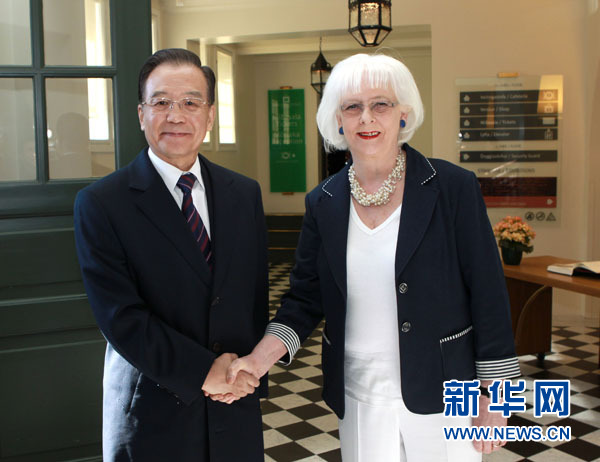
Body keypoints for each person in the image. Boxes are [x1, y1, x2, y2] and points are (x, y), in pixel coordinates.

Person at [224, 54, 521, 461]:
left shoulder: (453, 188)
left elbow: (489, 294)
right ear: (338, 120)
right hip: (359, 394)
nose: (366, 118)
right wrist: (258, 361)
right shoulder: (323, 202)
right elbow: (304, 300)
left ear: (403, 114)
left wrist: (498, 396)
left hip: (448, 390)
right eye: (352, 106)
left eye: (380, 104)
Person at [74, 48, 268, 462]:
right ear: (141, 114)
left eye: (190, 103)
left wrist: (247, 375)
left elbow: (253, 298)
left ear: (210, 115)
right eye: (161, 102)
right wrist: (204, 372)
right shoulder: (103, 203)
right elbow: (120, 317)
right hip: (153, 412)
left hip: (234, 406)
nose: (176, 116)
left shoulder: (244, 193)